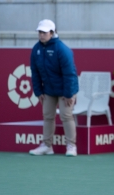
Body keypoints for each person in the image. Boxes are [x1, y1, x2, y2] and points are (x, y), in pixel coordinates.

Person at [29, 19, 79, 157]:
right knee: (48, 116)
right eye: (39, 32)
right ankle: (47, 146)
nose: (41, 35)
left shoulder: (62, 50)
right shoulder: (36, 49)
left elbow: (69, 74)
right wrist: (38, 91)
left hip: (66, 90)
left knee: (66, 115)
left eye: (44, 32)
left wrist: (68, 94)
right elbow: (35, 72)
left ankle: (71, 146)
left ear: (52, 33)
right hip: (49, 90)